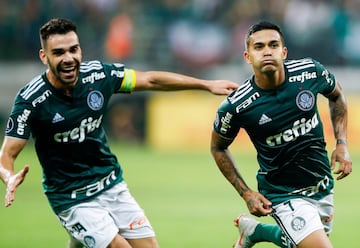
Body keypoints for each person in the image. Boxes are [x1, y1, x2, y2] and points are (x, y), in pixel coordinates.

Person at [0, 18, 238, 248]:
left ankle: (80, 240)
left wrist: (205, 84)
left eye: (74, 49)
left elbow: (151, 80)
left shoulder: (99, 76)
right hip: (71, 198)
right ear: (44, 56)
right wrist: (9, 177)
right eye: (59, 52)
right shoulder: (31, 99)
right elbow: (6, 155)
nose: (69, 58)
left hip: (112, 185)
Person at [210, 21, 352, 248]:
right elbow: (217, 147)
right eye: (259, 47)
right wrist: (246, 193)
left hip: (322, 184)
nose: (267, 51)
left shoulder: (309, 72)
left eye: (273, 45)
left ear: (283, 52)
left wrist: (342, 143)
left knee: (298, 242)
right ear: (248, 56)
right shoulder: (237, 105)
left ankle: (255, 231)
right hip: (283, 194)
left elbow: (336, 95)